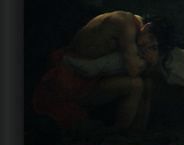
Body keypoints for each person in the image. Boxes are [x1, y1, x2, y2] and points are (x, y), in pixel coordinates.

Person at [31, 11, 169, 131]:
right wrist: (152, 61)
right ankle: (120, 135)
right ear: (147, 27)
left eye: (153, 46)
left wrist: (153, 61)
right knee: (135, 85)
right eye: (150, 39)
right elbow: (133, 71)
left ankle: (138, 134)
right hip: (69, 79)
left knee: (147, 83)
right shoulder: (124, 24)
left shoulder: (137, 29)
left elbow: (144, 72)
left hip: (89, 78)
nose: (147, 45)